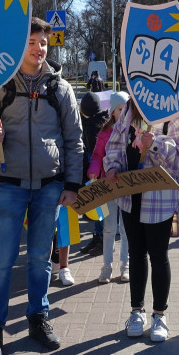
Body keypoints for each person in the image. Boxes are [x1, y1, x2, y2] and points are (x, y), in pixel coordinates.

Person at [0, 17, 83, 355]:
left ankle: (38, 318)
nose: (39, 49)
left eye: (43, 43)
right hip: (9, 187)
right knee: (2, 262)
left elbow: (74, 140)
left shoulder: (60, 88)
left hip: (50, 188)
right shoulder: (0, 87)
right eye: (32, 43)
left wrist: (72, 185)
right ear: (19, 47)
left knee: (39, 260)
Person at [104, 100, 179, 342]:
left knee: (158, 256)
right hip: (130, 196)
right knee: (136, 253)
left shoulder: (173, 113)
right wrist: (111, 167)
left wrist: (155, 145)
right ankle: (136, 311)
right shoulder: (129, 111)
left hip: (159, 199)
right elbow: (115, 145)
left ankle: (159, 314)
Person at [88, 91, 131, 283]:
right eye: (120, 109)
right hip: (109, 185)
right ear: (113, 111)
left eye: (126, 109)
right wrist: (93, 170)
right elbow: (97, 154)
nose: (123, 113)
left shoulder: (133, 129)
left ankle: (126, 265)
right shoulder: (105, 132)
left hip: (129, 186)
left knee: (125, 228)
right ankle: (107, 266)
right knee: (109, 227)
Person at [78, 92, 108, 256]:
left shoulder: (89, 126)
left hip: (95, 172)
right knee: (99, 208)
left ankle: (100, 238)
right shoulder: (104, 120)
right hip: (101, 170)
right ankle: (99, 236)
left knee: (99, 208)